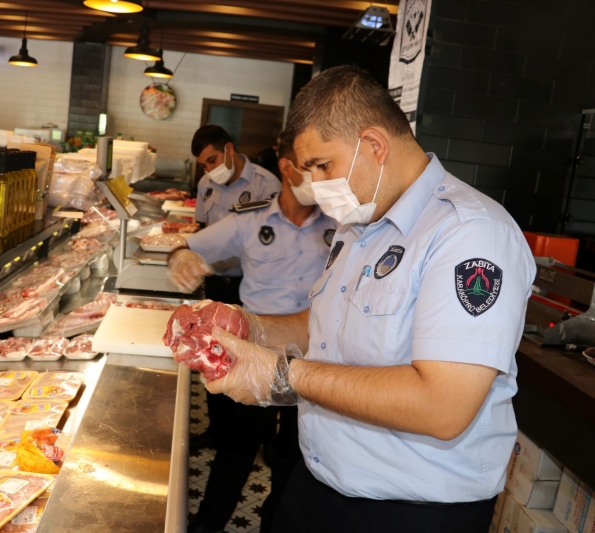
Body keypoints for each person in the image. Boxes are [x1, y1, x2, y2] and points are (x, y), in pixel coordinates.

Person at [202, 65, 536, 533]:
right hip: (319, 483)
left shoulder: (470, 233)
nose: (316, 184)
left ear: (375, 145)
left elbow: (443, 406)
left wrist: (283, 375)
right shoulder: (359, 222)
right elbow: (326, 325)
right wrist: (251, 327)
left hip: (407, 512)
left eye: (323, 166)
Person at [169, 140, 336, 533]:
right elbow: (186, 245)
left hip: (315, 356)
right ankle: (207, 525)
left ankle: (273, 524)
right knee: (236, 450)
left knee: (295, 455)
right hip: (254, 353)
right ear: (287, 168)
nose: (321, 177)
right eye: (313, 167)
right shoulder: (250, 219)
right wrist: (182, 257)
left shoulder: (340, 223)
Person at [189, 125, 283, 453]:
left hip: (251, 288)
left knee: (251, 358)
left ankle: (255, 439)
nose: (209, 169)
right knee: (213, 357)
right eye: (203, 165)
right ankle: (217, 431)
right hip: (217, 285)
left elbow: (272, 243)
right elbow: (203, 232)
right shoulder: (206, 185)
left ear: (229, 149)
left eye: (213, 160)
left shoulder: (266, 184)